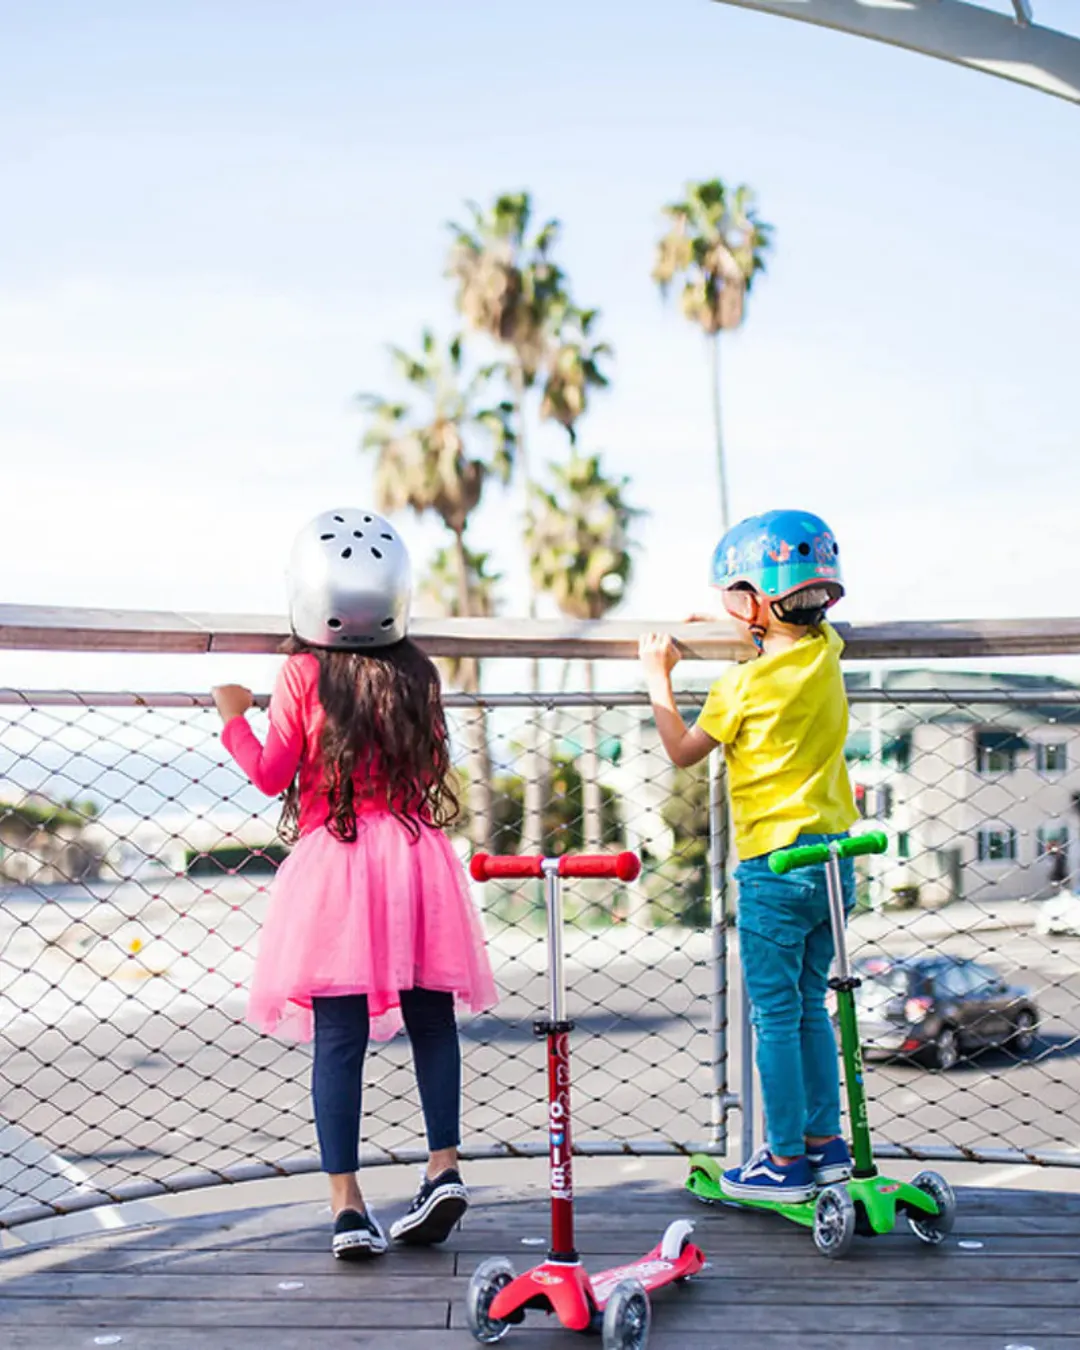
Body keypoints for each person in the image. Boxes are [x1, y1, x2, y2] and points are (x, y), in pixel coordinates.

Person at [211, 508, 497, 1258]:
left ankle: (346, 1207)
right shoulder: (418, 671)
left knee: (339, 1039)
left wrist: (234, 718)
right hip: (415, 854)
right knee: (432, 1021)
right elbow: (431, 765)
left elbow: (271, 773)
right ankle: (443, 1167)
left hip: (338, 863)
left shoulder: (303, 672)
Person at [639, 509, 859, 1202]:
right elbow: (791, 623)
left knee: (775, 1016)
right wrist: (738, 617)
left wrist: (658, 676)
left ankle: (784, 1159)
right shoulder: (825, 652)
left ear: (754, 604)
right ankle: (826, 1146)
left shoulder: (740, 687)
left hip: (775, 867)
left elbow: (682, 751)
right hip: (836, 861)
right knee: (812, 1005)